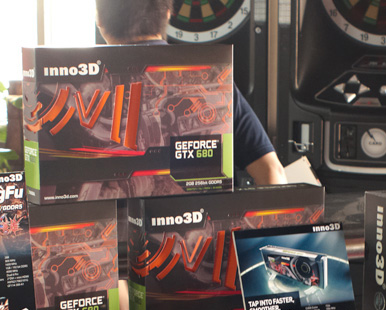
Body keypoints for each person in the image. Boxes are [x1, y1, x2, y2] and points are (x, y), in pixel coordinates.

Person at [95, 0, 287, 186]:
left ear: (99, 20)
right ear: (168, 14)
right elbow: (272, 173)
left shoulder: (87, 87)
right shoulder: (213, 82)